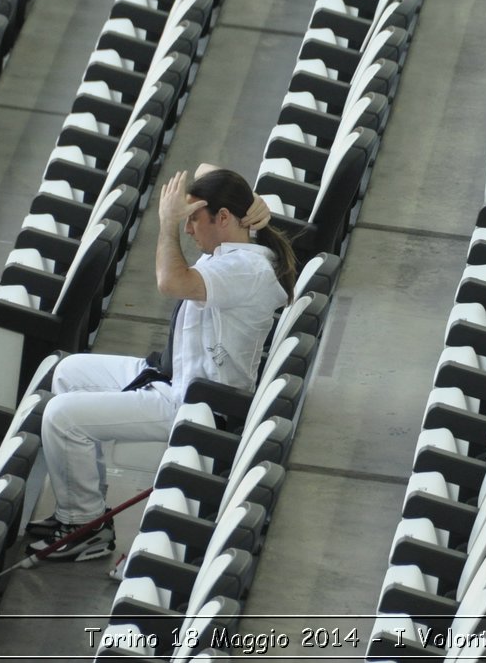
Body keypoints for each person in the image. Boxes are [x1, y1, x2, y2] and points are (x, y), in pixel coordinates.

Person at [25, 167, 294, 562]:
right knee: (67, 372)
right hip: (175, 375)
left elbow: (171, 281)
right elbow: (207, 174)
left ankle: (83, 526)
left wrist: (166, 225)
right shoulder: (239, 250)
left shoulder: (245, 269)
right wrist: (250, 200)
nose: (187, 231)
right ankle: (87, 506)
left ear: (223, 219)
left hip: (199, 404)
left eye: (193, 221)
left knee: (61, 416)